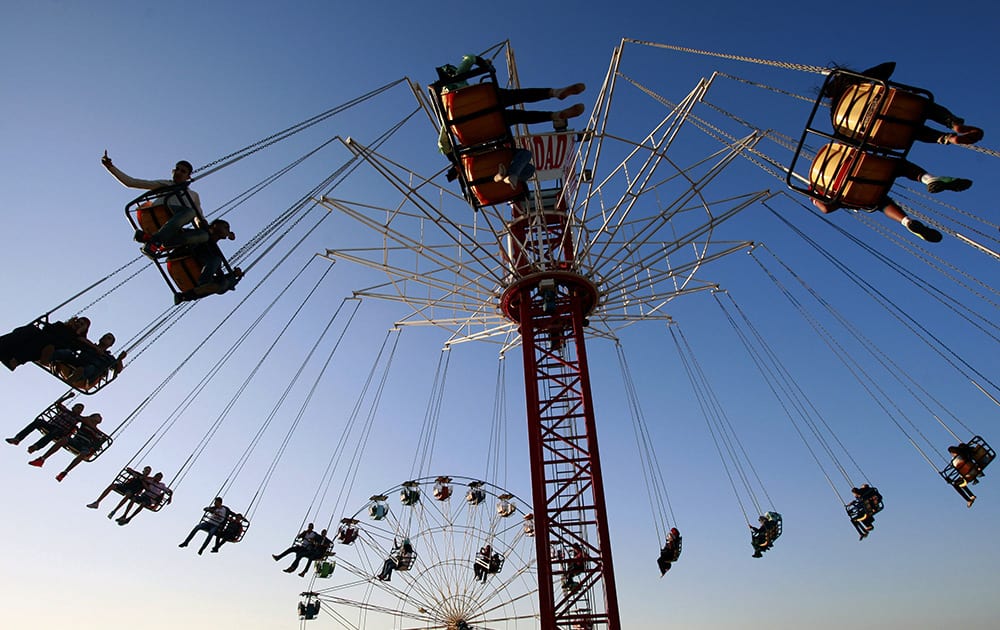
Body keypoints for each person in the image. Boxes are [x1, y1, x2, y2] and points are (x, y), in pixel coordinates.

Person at [811, 148, 971, 243]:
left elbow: (825, 209)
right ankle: (929, 179)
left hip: (854, 194)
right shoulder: (837, 151)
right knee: (898, 165)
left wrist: (838, 200)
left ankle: (906, 221)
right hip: (867, 168)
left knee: (878, 201)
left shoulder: (814, 185)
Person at [823, 62, 984, 146]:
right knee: (922, 107)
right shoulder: (861, 86)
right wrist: (864, 77)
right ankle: (953, 123)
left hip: (879, 131)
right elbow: (889, 65)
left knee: (910, 132)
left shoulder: (836, 115)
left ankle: (946, 138)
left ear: (830, 96)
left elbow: (843, 138)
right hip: (895, 107)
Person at [102, 152, 206, 256]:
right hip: (160, 214)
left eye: (183, 171)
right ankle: (155, 241)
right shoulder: (166, 184)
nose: (178, 172)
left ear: (188, 176)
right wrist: (111, 167)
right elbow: (131, 182)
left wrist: (205, 226)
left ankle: (158, 241)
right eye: (177, 169)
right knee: (189, 212)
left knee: (204, 236)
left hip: (173, 226)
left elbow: (199, 217)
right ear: (173, 171)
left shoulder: (193, 195)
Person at [170, 219, 244, 304]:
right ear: (214, 225)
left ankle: (186, 295)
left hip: (193, 271)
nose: (228, 230)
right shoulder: (202, 233)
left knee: (223, 283)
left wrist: (233, 275)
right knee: (216, 260)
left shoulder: (215, 253)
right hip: (183, 257)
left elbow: (219, 273)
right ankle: (203, 285)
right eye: (225, 227)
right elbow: (197, 222)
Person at [28, 411, 105, 481]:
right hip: (76, 441)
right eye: (98, 416)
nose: (100, 417)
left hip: (85, 445)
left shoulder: (98, 433)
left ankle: (65, 472)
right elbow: (82, 418)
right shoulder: (86, 421)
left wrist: (100, 440)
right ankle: (42, 458)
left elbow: (97, 442)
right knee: (64, 440)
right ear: (92, 417)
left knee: (84, 453)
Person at [0, 316, 90, 371]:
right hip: (42, 338)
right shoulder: (60, 325)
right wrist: (66, 325)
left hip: (52, 347)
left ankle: (16, 360)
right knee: (30, 330)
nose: (78, 324)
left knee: (44, 341)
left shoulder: (78, 340)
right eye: (78, 321)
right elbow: (47, 328)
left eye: (82, 324)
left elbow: (71, 347)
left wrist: (77, 333)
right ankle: (3, 347)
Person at [51, 332, 126, 388]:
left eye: (108, 338)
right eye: (104, 336)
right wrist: (95, 348)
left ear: (110, 344)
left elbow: (118, 370)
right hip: (76, 364)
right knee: (67, 352)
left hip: (88, 376)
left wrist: (120, 359)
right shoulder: (90, 345)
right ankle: (48, 357)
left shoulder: (108, 357)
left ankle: (76, 377)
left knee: (91, 368)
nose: (105, 338)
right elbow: (80, 339)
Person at [6, 399, 84, 452]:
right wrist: (68, 397)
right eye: (78, 408)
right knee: (38, 421)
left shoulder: (78, 418)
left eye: (81, 409)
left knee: (55, 432)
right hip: (51, 426)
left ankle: (36, 446)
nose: (79, 410)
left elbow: (87, 421)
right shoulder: (65, 410)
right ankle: (17, 438)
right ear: (73, 407)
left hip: (60, 432)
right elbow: (58, 403)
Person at [87, 465, 152, 514]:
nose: (146, 472)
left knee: (128, 494)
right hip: (125, 486)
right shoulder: (138, 474)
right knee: (112, 486)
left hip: (132, 491)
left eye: (148, 471)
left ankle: (115, 510)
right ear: (143, 470)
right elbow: (128, 469)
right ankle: (97, 502)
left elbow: (147, 488)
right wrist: (133, 473)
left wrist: (143, 480)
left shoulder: (147, 481)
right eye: (146, 470)